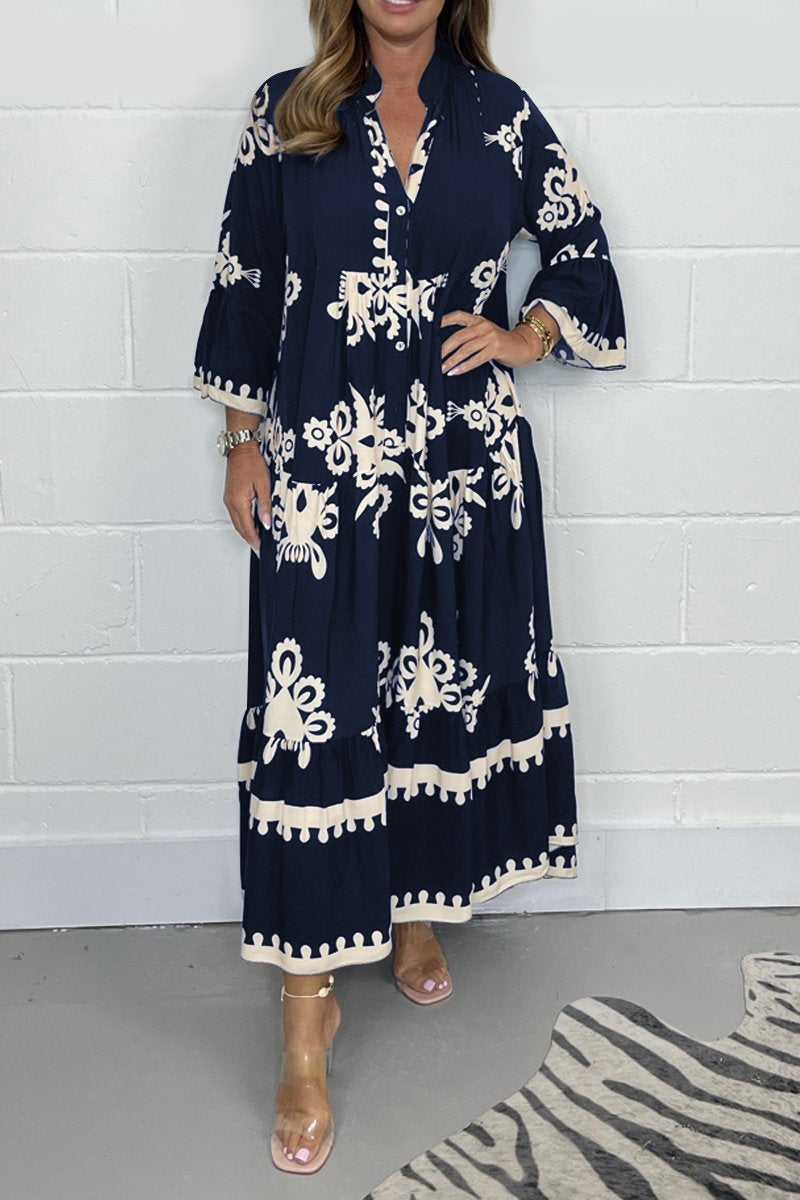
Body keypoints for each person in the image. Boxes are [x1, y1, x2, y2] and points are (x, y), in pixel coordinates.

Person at [192, 0, 626, 1176]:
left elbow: (580, 247)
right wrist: (241, 437)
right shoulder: (286, 109)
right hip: (321, 467)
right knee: (315, 716)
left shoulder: (500, 115)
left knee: (432, 689)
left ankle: (417, 903)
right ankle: (305, 1016)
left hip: (461, 468)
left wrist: (525, 335)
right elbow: (247, 278)